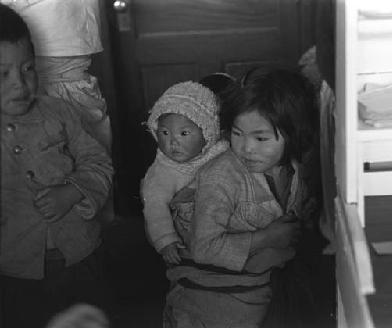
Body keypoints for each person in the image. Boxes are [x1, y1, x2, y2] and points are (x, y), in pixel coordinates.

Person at [163, 66, 319, 328]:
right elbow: (204, 249)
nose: (246, 148)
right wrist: (266, 238)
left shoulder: (293, 168)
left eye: (261, 138)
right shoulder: (221, 176)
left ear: (293, 134)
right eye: (237, 134)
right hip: (212, 299)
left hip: (261, 286)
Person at [0, 4, 114, 327]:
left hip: (82, 258)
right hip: (16, 275)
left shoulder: (59, 112)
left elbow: (99, 162)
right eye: (2, 74)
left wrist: (72, 192)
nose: (20, 86)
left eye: (27, 69)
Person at [141, 81, 229, 266]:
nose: (173, 142)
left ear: (207, 132)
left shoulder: (221, 151)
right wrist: (166, 240)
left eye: (184, 133)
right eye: (164, 132)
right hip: (187, 238)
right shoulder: (162, 171)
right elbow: (155, 207)